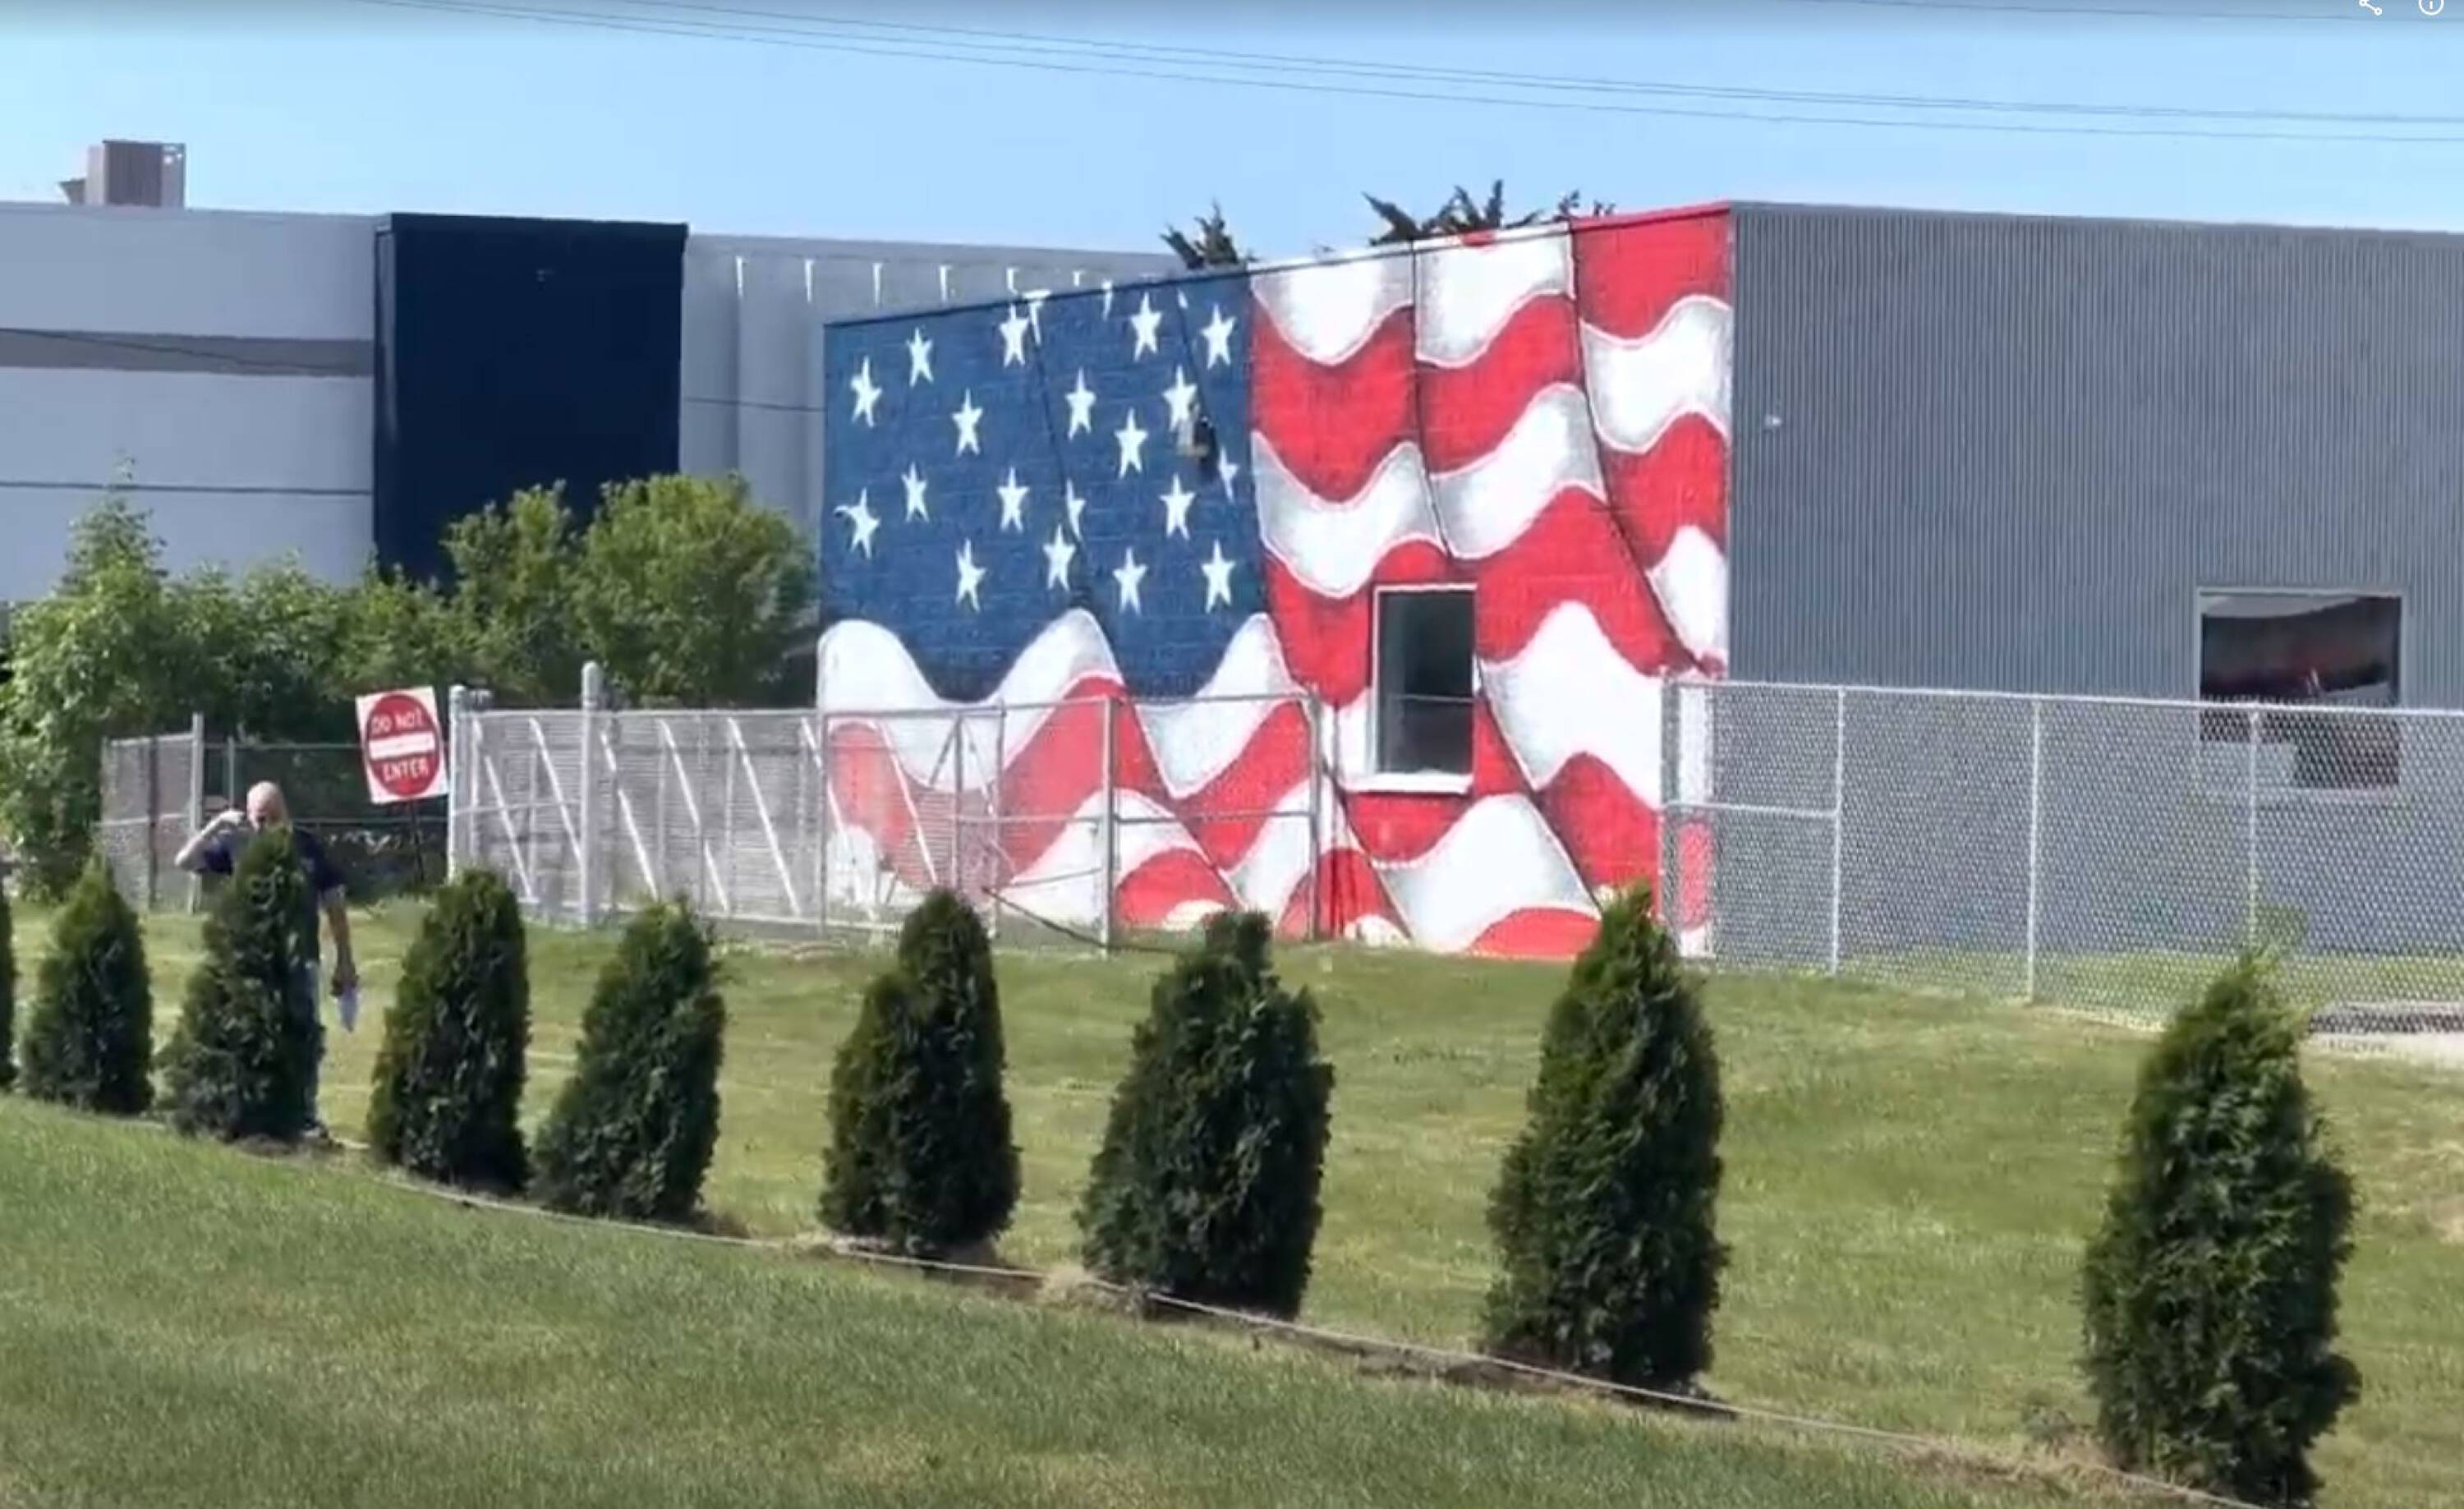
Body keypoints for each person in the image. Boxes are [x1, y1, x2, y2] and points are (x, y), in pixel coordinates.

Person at [174, 781, 358, 1136]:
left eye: (274, 817)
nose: (267, 826)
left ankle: (305, 1114)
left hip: (299, 958)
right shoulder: (239, 845)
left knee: (302, 1035)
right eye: (260, 818)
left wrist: (345, 960)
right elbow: (184, 861)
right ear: (248, 817)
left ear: (286, 813)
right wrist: (217, 825)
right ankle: (251, 1110)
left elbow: (335, 905)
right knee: (248, 1037)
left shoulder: (306, 846)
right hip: (249, 962)